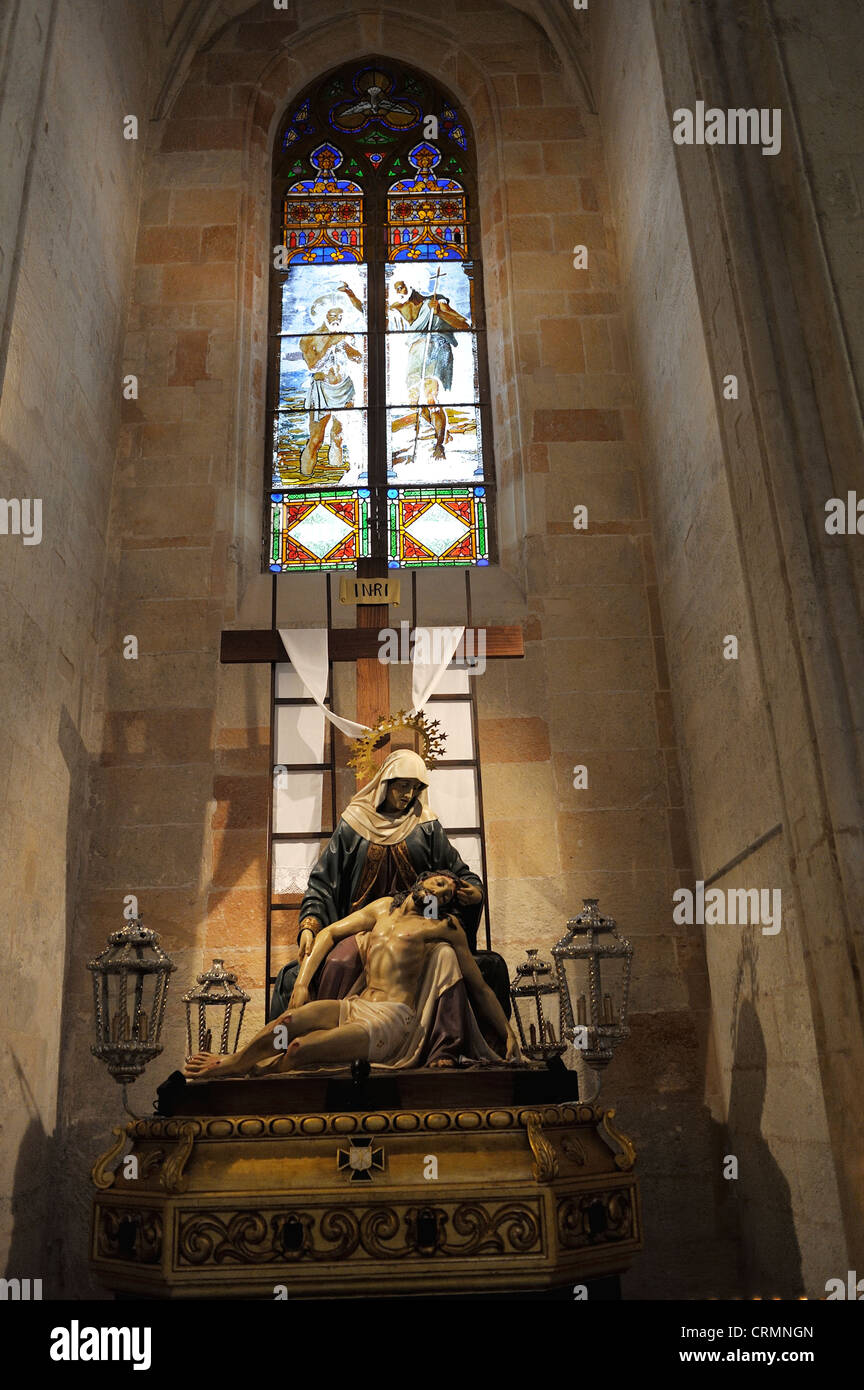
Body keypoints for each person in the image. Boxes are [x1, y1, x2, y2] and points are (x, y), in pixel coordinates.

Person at [185, 872, 518, 1077]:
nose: (440, 893)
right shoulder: (383, 908)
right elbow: (329, 933)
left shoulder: (444, 926)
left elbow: (480, 988)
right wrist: (301, 983)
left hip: (390, 1019)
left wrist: (506, 1031)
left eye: (446, 895)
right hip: (357, 1005)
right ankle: (234, 1063)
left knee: (300, 1048)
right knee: (289, 1023)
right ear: (423, 880)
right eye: (439, 884)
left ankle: (256, 1074)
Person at [270, 748, 511, 1027]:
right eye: (403, 786)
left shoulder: (426, 824)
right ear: (386, 784)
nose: (409, 794)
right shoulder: (354, 823)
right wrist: (310, 925)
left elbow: (457, 873)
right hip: (361, 926)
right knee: (340, 964)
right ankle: (330, 1038)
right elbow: (323, 881)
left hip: (417, 924)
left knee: (466, 966)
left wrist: (473, 891)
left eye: (415, 787)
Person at [388, 277, 471, 460]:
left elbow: (464, 324)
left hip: (436, 347)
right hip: (416, 352)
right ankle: (441, 430)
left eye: (401, 287)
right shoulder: (396, 309)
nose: (399, 293)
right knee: (413, 400)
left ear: (411, 285)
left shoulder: (435, 301)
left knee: (430, 397)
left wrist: (440, 313)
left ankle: (439, 445)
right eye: (396, 290)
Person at [298, 284, 363, 477]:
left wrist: (346, 345)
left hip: (344, 389)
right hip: (322, 391)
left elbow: (359, 358)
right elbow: (313, 366)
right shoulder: (309, 339)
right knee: (317, 438)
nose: (337, 320)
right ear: (323, 316)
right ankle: (306, 476)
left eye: (340, 316)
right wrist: (330, 343)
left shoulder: (344, 336)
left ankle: (336, 476)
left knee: (338, 435)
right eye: (332, 316)